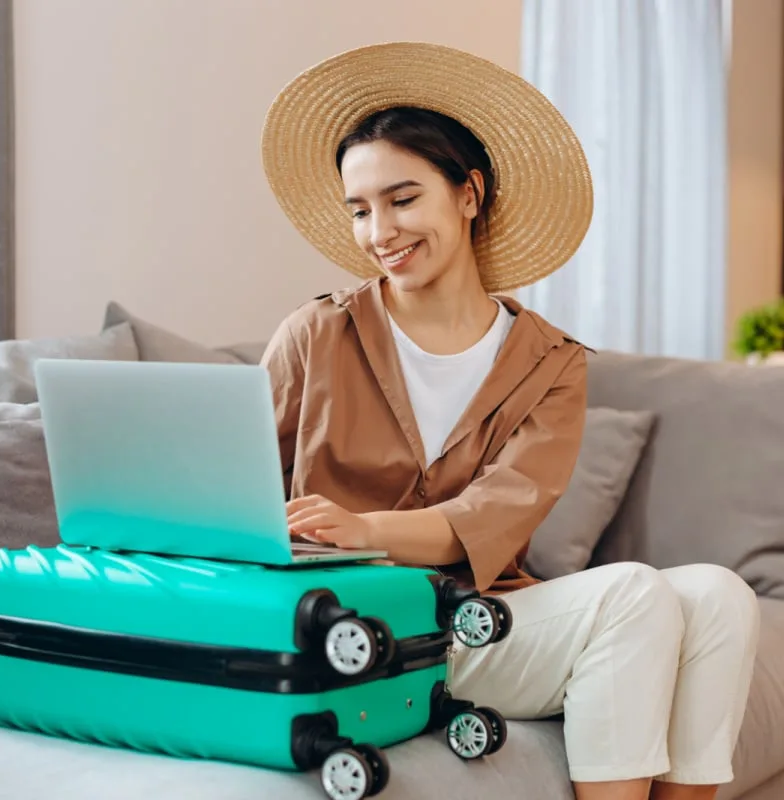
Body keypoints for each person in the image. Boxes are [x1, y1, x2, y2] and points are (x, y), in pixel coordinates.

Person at [259, 42, 760, 800]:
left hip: (478, 621)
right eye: (359, 210)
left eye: (402, 199)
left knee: (721, 595)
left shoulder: (551, 363)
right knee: (631, 594)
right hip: (359, 628)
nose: (378, 231)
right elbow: (234, 486)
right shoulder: (314, 335)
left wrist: (367, 527)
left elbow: (484, 522)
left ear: (469, 194)